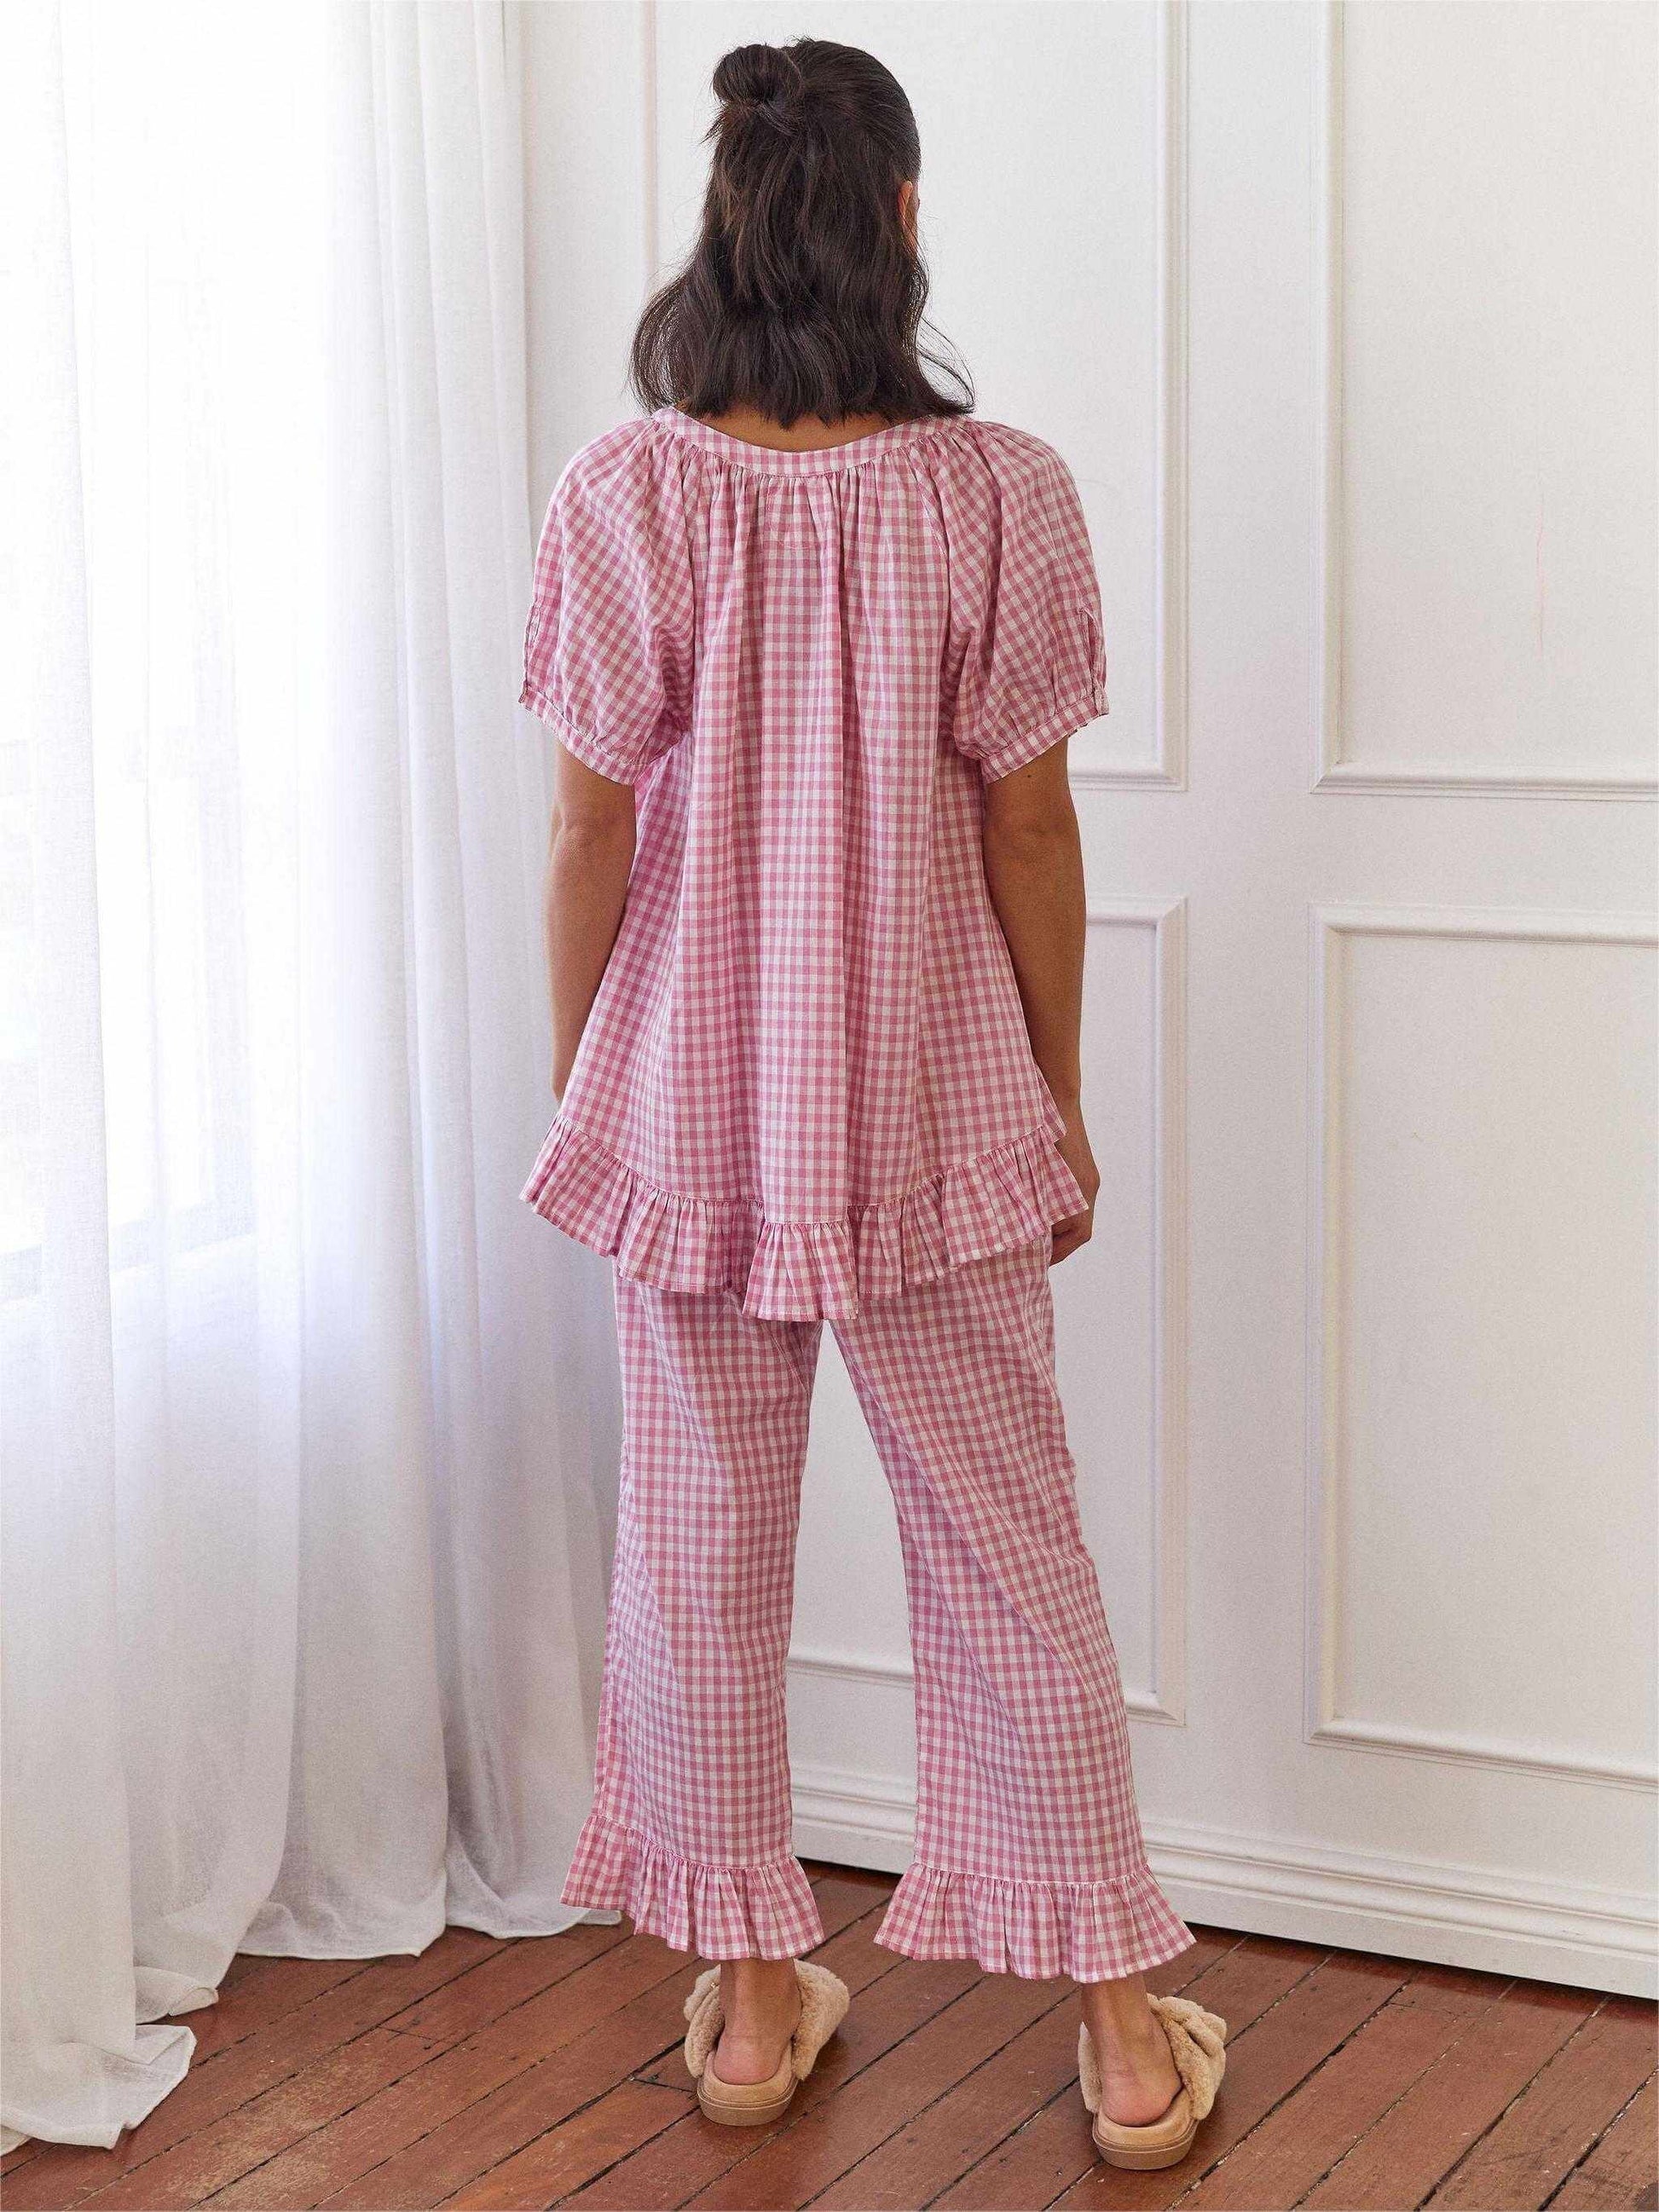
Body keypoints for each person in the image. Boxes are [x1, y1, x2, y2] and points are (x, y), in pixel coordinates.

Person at [518, 35, 1227, 2171]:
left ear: (721, 223)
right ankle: (1123, 2040)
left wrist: (588, 1083)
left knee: (699, 1548)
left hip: (693, 1107)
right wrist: (1057, 1095)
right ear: (902, 219)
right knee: (1014, 1549)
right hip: (932, 1103)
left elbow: (586, 833)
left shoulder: (626, 493)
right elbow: (1029, 826)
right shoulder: (999, 491)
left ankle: (752, 2013)